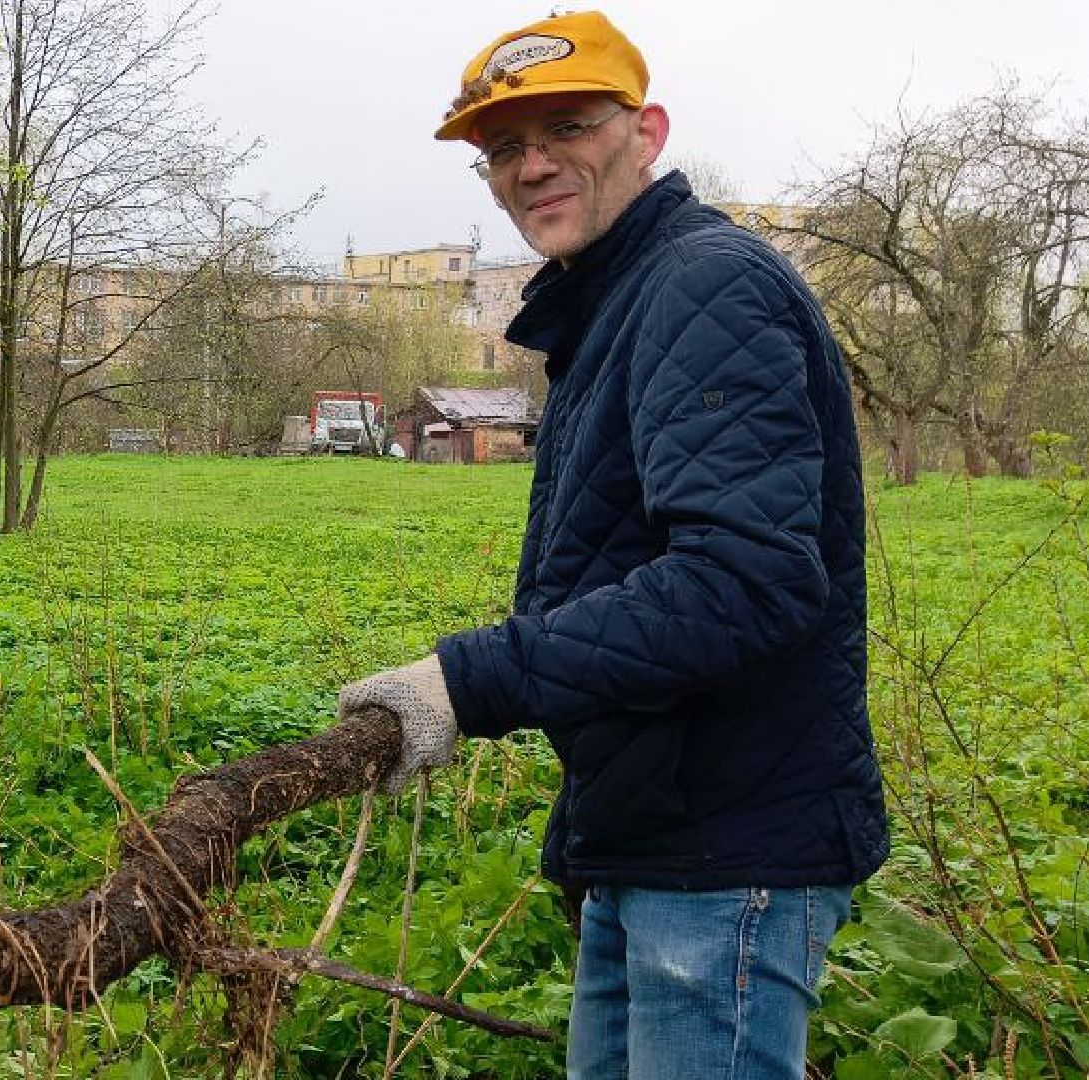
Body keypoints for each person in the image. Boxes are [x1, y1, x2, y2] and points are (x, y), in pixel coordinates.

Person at [333, 12, 886, 1078]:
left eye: (569, 128)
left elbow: (743, 583)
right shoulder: (617, 303)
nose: (532, 165)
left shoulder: (703, 287)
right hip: (652, 834)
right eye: (502, 150)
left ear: (648, 132)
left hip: (727, 854)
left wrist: (471, 680)